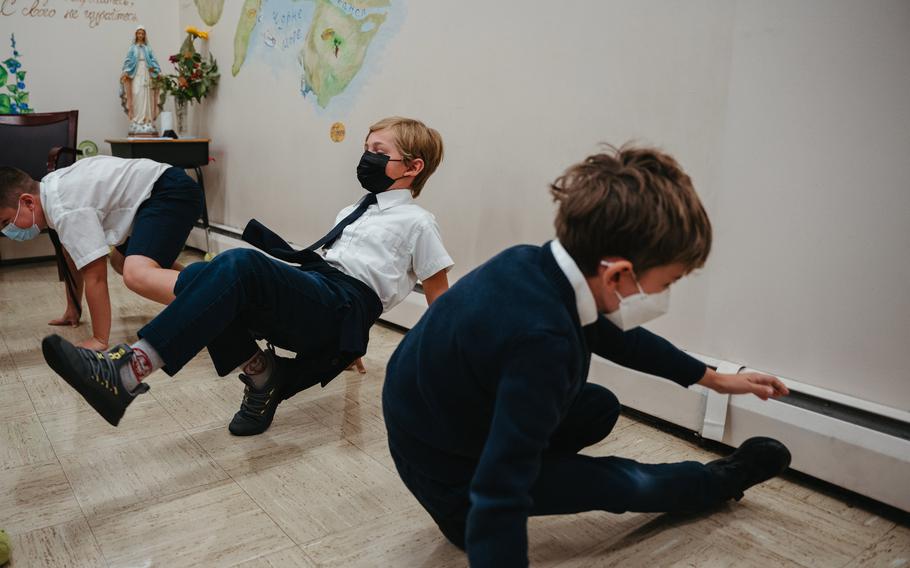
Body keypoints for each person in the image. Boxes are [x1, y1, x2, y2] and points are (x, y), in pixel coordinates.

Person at [382, 144, 792, 566]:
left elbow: (619, 338)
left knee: (598, 406)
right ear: (617, 273)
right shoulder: (545, 343)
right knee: (619, 481)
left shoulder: (533, 262)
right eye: (666, 283)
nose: (663, 296)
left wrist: (713, 378)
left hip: (432, 428)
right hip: (456, 487)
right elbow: (499, 488)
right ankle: (720, 480)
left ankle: (540, 461)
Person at [41, 116, 453, 437]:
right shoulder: (353, 210)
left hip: (343, 306)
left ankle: (127, 371)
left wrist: (442, 362)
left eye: (379, 151)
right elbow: (353, 271)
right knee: (206, 276)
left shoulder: (419, 223)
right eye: (366, 149)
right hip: (327, 296)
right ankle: (262, 375)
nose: (367, 158)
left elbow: (438, 297)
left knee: (241, 264)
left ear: (412, 167)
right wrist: (353, 345)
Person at [0, 156, 203, 350]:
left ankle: (216, 297)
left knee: (136, 274)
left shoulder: (66, 209)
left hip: (169, 192)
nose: (7, 231)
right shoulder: (51, 189)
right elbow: (71, 254)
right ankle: (214, 279)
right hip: (156, 192)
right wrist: (74, 308)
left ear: (28, 202)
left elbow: (95, 276)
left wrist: (99, 338)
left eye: (6, 222)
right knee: (121, 262)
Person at [121, 25, 162, 136]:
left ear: (144, 35)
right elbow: (128, 60)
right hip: (135, 73)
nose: (140, 35)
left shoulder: (148, 48)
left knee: (146, 94)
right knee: (136, 93)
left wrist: (157, 71)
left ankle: (147, 120)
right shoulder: (132, 48)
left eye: (142, 33)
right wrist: (125, 71)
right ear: (136, 35)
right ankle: (136, 119)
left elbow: (153, 60)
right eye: (139, 33)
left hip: (146, 72)